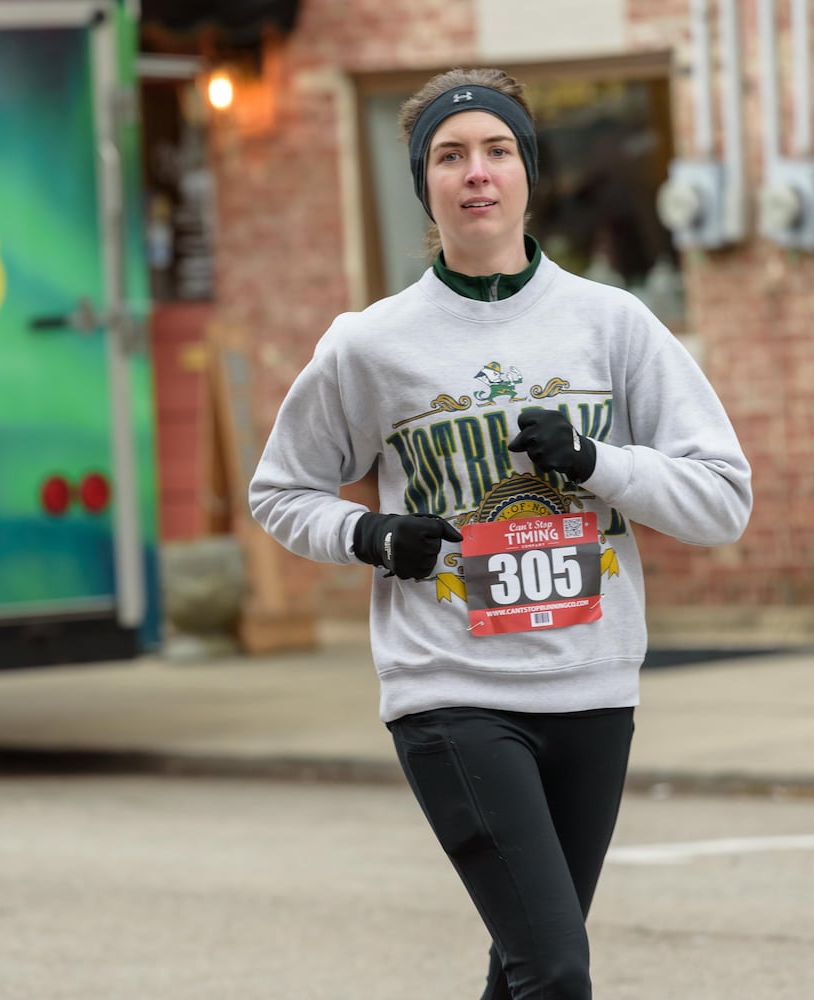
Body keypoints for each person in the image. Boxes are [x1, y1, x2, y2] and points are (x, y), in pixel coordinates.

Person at [248, 68, 751, 999]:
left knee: (520, 971)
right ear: (424, 185)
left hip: (593, 686)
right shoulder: (371, 343)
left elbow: (722, 500)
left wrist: (595, 461)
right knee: (555, 972)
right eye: (449, 155)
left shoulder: (615, 325)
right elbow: (280, 491)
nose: (475, 172)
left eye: (496, 150)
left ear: (526, 172)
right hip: (451, 690)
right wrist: (369, 535)